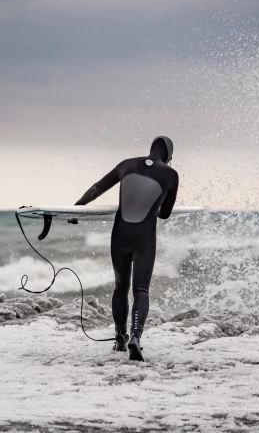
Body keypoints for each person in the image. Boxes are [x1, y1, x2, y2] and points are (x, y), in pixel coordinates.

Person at [75, 136, 178, 361]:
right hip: (145, 238)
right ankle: (136, 337)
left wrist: (77, 207)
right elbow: (166, 213)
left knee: (120, 287)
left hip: (120, 236)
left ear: (150, 148)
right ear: (169, 156)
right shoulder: (170, 174)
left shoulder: (127, 164)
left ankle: (119, 337)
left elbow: (98, 187)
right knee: (140, 289)